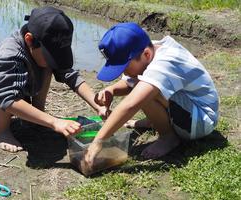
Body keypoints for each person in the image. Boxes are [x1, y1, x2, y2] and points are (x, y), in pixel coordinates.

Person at [0, 6, 108, 153]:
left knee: (48, 65)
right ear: (29, 39)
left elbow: (70, 75)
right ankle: (2, 131)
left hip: (14, 96)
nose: (52, 59)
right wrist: (55, 122)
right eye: (48, 54)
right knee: (2, 81)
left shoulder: (41, 49)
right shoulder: (9, 53)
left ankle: (37, 115)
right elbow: (7, 98)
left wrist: (98, 106)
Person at [84, 22, 219, 165]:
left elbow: (131, 104)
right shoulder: (148, 49)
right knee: (141, 86)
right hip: (188, 110)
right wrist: (111, 91)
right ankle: (156, 121)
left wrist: (99, 140)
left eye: (125, 67)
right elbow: (130, 82)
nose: (123, 73)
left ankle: (168, 137)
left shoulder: (165, 62)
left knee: (142, 92)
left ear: (146, 54)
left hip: (201, 120)